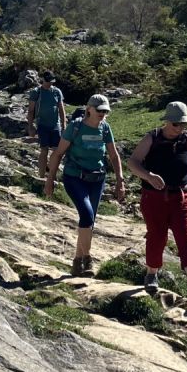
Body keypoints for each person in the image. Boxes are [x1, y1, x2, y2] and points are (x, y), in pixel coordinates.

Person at [127, 101, 187, 302]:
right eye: (176, 124)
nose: (180, 128)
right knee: (157, 236)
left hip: (181, 197)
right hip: (153, 198)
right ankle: (152, 274)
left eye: (183, 124)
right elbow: (132, 162)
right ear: (167, 122)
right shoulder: (152, 137)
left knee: (186, 235)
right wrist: (148, 176)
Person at [44, 94, 125, 276]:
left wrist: (120, 180)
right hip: (75, 178)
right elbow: (57, 154)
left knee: (89, 222)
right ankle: (87, 260)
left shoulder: (105, 128)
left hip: (97, 180)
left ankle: (77, 262)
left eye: (106, 111)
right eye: (99, 110)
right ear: (89, 109)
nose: (103, 114)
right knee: (87, 216)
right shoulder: (76, 127)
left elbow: (113, 156)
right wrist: (50, 180)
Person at [26, 71, 66, 179]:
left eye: (51, 82)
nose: (50, 84)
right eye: (48, 81)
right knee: (44, 150)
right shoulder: (36, 92)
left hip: (55, 125)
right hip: (42, 124)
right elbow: (31, 110)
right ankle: (42, 176)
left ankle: (51, 171)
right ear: (42, 79)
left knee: (57, 151)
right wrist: (30, 126)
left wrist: (64, 125)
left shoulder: (57, 91)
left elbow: (61, 109)